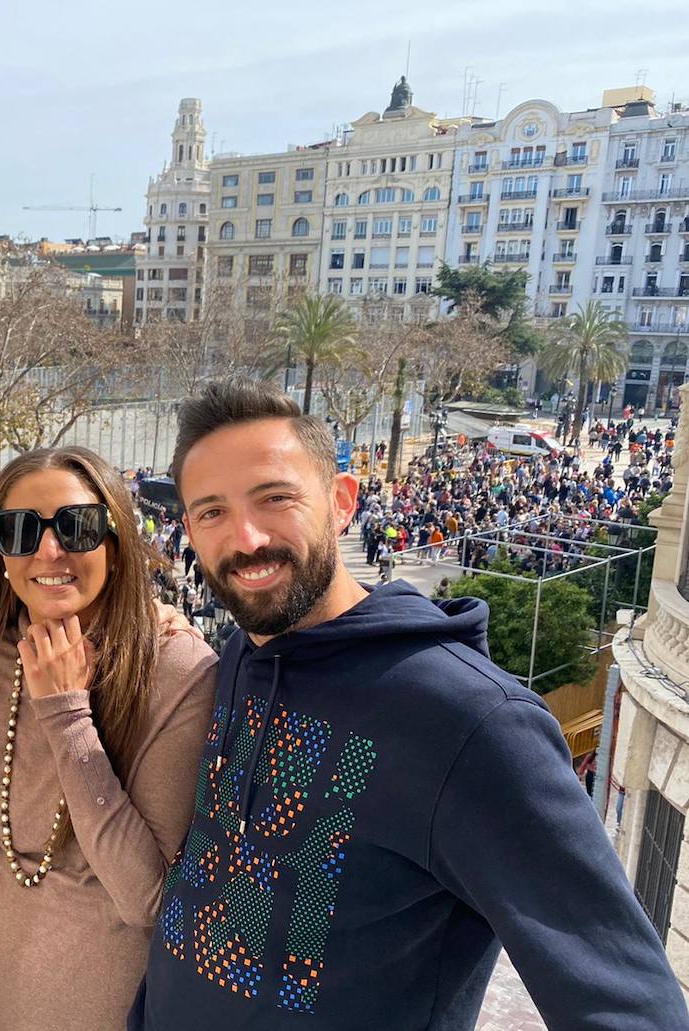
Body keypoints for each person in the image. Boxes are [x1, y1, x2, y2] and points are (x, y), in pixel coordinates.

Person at [128, 378, 688, 1031]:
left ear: (342, 502)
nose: (245, 536)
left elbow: (633, 1008)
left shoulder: (473, 723)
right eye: (212, 511)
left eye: (274, 497)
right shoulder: (242, 660)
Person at [0, 447, 216, 1031]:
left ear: (116, 539)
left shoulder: (179, 669)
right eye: (19, 530)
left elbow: (144, 900)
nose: (48, 551)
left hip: (107, 1005)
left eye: (76, 528)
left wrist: (65, 714)